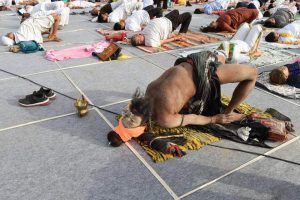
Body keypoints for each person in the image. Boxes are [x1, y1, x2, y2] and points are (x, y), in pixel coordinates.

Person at [117, 50, 257, 130]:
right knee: (253, 73)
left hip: (196, 60)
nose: (129, 116)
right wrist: (215, 119)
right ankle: (229, 112)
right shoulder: (162, 113)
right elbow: (192, 118)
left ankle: (221, 55)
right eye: (132, 120)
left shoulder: (160, 113)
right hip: (203, 74)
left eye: (128, 116)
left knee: (220, 58)